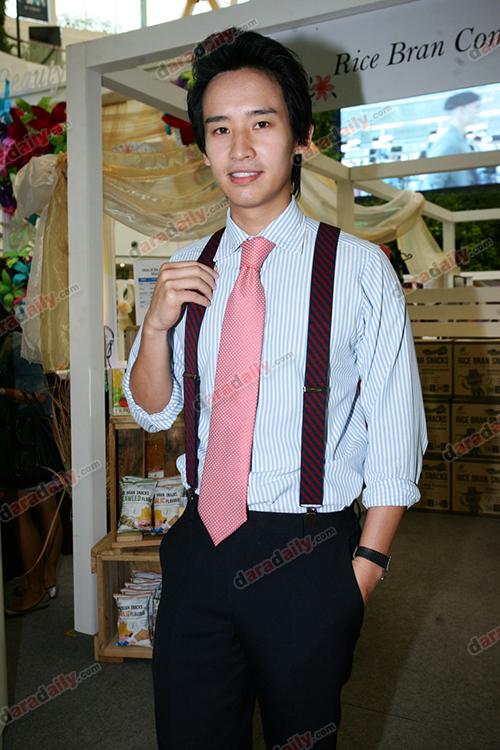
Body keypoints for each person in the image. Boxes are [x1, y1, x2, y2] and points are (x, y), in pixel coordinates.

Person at [123, 28, 428, 750]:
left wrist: (364, 571)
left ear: (301, 138)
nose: (240, 148)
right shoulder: (185, 265)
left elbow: (396, 433)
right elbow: (153, 409)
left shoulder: (359, 269)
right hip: (200, 544)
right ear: (204, 148)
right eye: (219, 129)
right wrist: (156, 327)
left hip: (308, 549)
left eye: (261, 123)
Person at [0, 304, 63, 615]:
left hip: (24, 441)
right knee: (47, 506)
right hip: (39, 438)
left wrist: (2, 391)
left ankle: (35, 587)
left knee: (23, 510)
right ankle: (47, 577)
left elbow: (38, 395)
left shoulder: (13, 346)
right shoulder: (23, 341)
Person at [425, 90, 481, 189]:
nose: (478, 112)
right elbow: (434, 181)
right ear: (461, 110)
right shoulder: (449, 142)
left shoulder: (461, 140)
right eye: (476, 107)